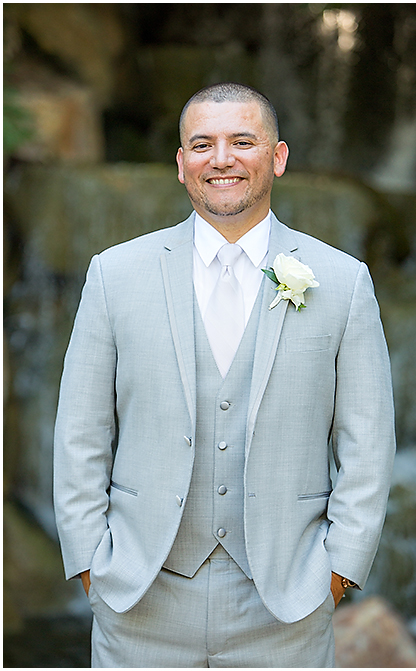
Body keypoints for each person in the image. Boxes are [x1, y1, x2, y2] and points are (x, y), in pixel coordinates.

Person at [53, 82, 396, 667]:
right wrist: (91, 562)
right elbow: (80, 432)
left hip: (286, 604)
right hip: (139, 599)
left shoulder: (342, 282)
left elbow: (367, 443)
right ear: (182, 164)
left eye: (243, 141)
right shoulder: (114, 275)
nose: (222, 158)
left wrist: (337, 570)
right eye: (203, 144)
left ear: (278, 157)